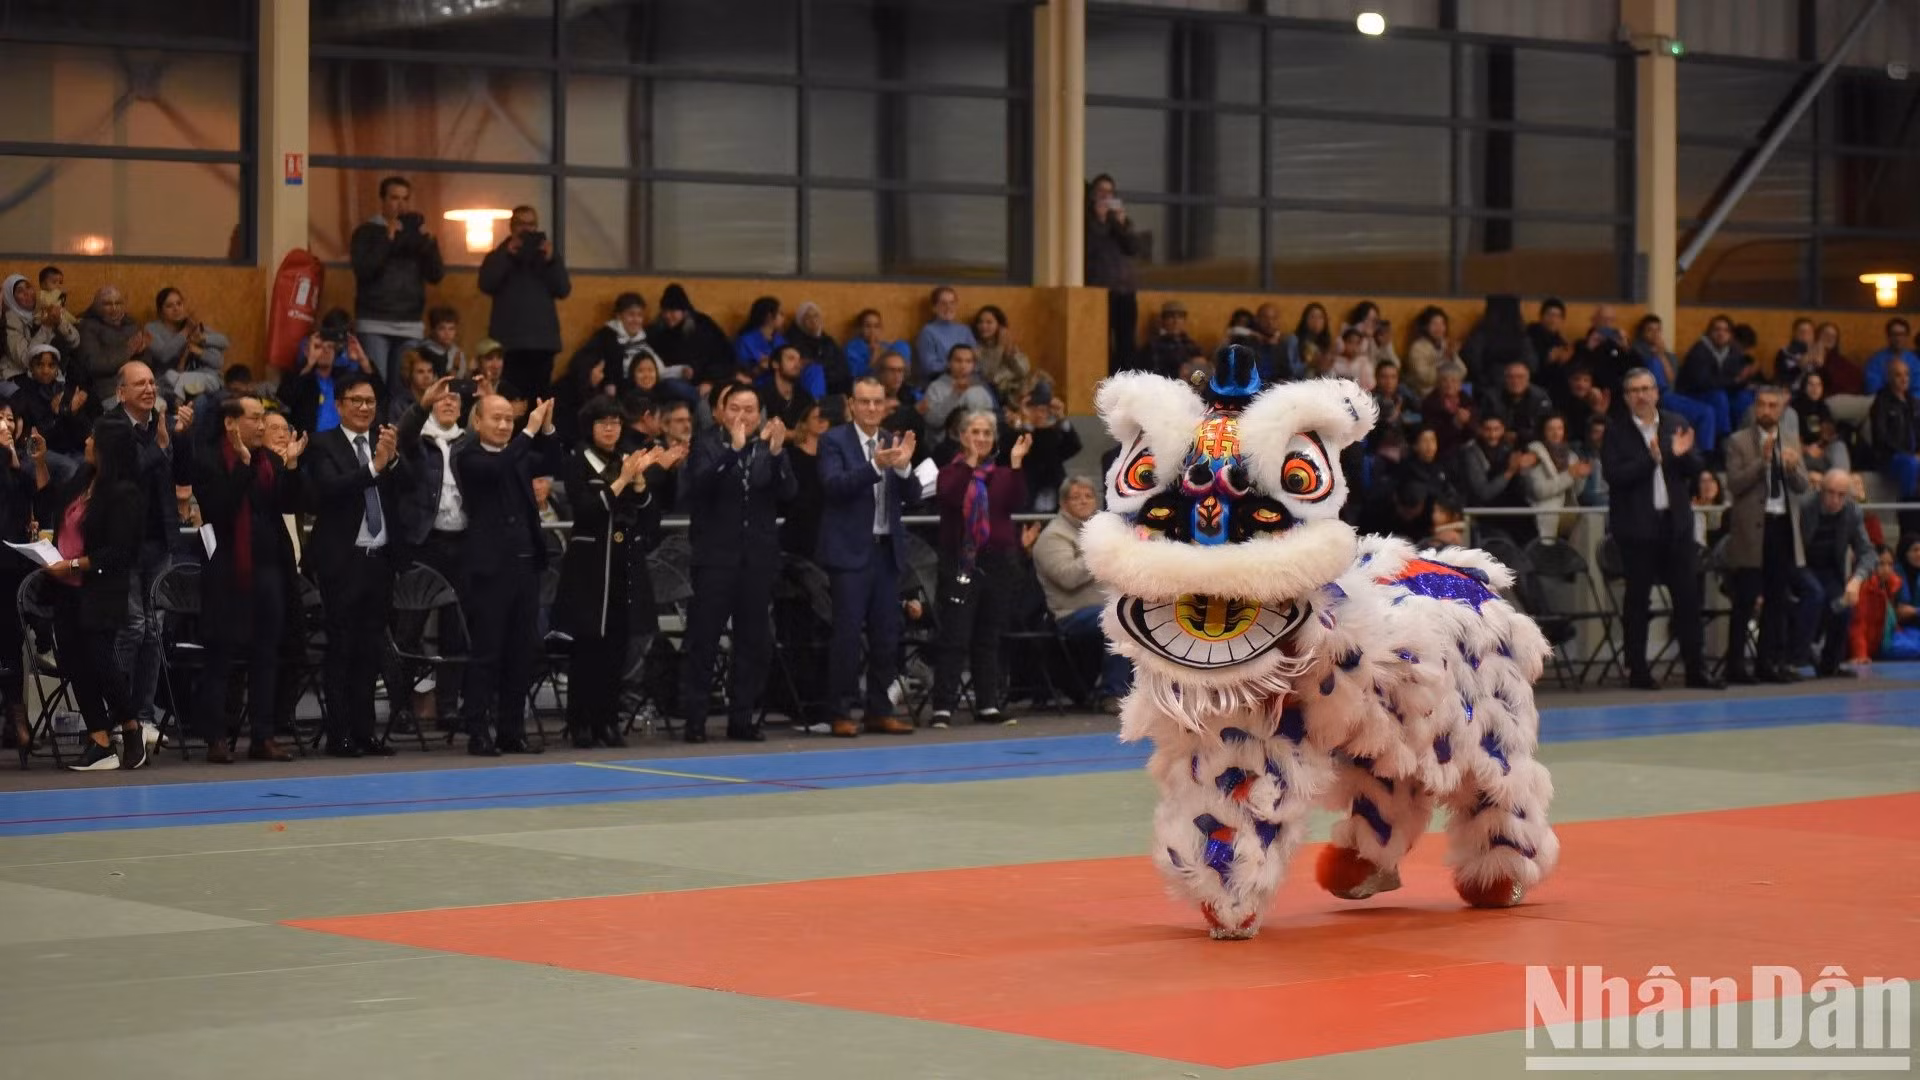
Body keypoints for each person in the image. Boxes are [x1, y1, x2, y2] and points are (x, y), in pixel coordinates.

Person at [554, 396, 678, 747]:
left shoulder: (627, 459)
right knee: (587, 647)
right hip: (589, 564)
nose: (610, 429)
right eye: (603, 422)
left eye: (615, 422)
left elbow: (646, 513)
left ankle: (608, 721)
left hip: (623, 561)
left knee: (617, 646)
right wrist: (623, 480)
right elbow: (587, 508)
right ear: (590, 427)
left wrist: (639, 484)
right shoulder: (578, 460)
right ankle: (580, 722)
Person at [678, 384, 797, 743]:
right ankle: (695, 719)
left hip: (757, 560)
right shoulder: (706, 444)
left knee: (752, 641)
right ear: (720, 412)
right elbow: (699, 486)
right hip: (715, 558)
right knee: (704, 640)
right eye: (735, 408)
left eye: (749, 409)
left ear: (760, 413)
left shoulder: (770, 447)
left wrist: (776, 456)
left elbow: (789, 494)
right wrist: (733, 451)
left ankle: (741, 718)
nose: (742, 416)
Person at [192, 395, 307, 763]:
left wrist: (291, 466)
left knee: (265, 656)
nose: (262, 426)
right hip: (227, 569)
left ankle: (263, 735)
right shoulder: (210, 459)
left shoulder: (269, 462)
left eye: (264, 419)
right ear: (231, 423)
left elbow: (288, 505)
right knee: (221, 658)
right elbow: (220, 510)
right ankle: (217, 737)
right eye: (255, 419)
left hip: (269, 571)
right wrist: (242, 466)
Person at [1600, 368, 1723, 691]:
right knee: (1638, 600)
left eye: (1646, 388)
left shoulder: (1676, 423)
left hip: (1676, 524)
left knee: (1687, 597)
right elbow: (1615, 476)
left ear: (1656, 392)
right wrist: (1655, 458)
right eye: (1634, 390)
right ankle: (1638, 670)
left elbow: (1696, 468)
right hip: (1637, 529)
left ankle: (1696, 668)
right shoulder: (1616, 432)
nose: (1641, 395)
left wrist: (1682, 456)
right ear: (1626, 398)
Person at [301, 372, 403, 758]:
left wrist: (392, 461)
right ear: (340, 405)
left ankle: (366, 733)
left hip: (379, 561)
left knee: (371, 650)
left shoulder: (384, 441)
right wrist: (375, 467)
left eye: (370, 402)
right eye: (356, 401)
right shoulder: (324, 443)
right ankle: (339, 734)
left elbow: (406, 484)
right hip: (343, 561)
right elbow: (329, 489)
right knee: (342, 649)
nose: (364, 408)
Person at [451, 394, 558, 756]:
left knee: (521, 651)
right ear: (476, 422)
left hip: (525, 565)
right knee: (487, 651)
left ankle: (512, 730)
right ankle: (478, 730)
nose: (503, 426)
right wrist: (528, 432)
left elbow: (552, 461)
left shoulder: (519, 452)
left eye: (509, 420)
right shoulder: (468, 456)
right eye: (496, 419)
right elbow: (497, 470)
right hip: (490, 569)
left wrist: (546, 428)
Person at [817, 376, 921, 736]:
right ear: (852, 404)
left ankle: (879, 709)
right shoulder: (833, 440)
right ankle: (840, 710)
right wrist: (876, 466)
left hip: (886, 551)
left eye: (879, 402)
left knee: (886, 635)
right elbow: (833, 487)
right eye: (865, 402)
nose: (873, 408)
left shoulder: (893, 439)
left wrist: (904, 467)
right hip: (849, 553)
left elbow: (915, 495)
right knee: (846, 635)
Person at [45, 415, 149, 771]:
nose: (87, 441)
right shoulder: (81, 479)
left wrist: (74, 565)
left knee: (102, 662)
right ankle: (99, 739)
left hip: (98, 590)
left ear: (107, 446)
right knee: (75, 665)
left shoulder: (125, 493)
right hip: (64, 590)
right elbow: (57, 512)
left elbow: (119, 553)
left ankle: (131, 725)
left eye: (92, 437)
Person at [927, 410, 1028, 725]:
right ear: (962, 436)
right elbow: (951, 496)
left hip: (997, 560)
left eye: (987, 433)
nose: (981, 438)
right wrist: (969, 464)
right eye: (975, 432)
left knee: (988, 635)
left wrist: (1015, 463)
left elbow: (1016, 500)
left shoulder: (1000, 474)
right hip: (961, 559)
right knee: (955, 634)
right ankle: (943, 706)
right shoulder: (950, 471)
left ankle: (987, 704)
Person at [110, 362, 195, 737]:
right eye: (139, 383)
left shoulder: (157, 428)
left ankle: (143, 717)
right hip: (124, 545)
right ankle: (117, 714)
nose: (148, 388)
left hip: (160, 541)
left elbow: (180, 476)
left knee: (154, 631)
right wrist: (161, 446)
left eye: (151, 382)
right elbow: (125, 477)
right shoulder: (110, 427)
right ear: (121, 392)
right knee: (132, 628)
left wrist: (181, 437)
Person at [1722, 386, 1811, 684]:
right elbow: (1734, 484)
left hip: (1782, 525)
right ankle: (1735, 664)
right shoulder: (1738, 441)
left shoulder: (1790, 441)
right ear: (1754, 408)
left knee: (1777, 598)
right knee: (1745, 598)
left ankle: (1767, 662)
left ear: (1781, 410)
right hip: (1751, 530)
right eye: (1761, 405)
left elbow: (1803, 485)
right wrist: (1763, 462)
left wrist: (1791, 467)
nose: (1766, 411)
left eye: (1773, 406)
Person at [1032, 475, 1132, 713]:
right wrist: (1099, 554)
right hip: (1070, 615)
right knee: (1118, 619)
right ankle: (1113, 693)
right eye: (1075, 497)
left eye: (1088, 496)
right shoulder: (1053, 536)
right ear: (1063, 503)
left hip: (1106, 605)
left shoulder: (1100, 531)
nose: (1083, 501)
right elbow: (1067, 577)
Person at [349, 175, 446, 389]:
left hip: (410, 323)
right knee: (376, 384)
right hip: (374, 321)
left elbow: (436, 274)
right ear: (382, 200)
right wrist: (388, 239)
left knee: (405, 388)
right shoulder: (367, 232)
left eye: (405, 199)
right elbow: (364, 270)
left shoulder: (417, 235)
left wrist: (429, 243)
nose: (400, 205)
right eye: (394, 198)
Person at [479, 205, 572, 397]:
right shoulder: (498, 255)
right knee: (508, 399)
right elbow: (486, 284)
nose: (526, 229)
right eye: (521, 224)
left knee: (538, 400)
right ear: (511, 227)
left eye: (531, 224)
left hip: (543, 343)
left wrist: (551, 260)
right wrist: (507, 255)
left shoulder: (547, 257)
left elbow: (563, 290)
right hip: (508, 344)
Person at [1797, 469, 1875, 679]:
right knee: (1815, 594)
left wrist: (1856, 580)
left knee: (1843, 605)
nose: (1834, 499)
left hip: (1828, 568)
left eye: (1841, 495)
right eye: (1830, 492)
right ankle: (1797, 657)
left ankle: (1830, 664)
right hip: (1799, 565)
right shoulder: (1805, 506)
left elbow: (1867, 552)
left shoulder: (1852, 511)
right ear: (1820, 491)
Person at [1086, 173, 1141, 376]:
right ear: (1093, 195)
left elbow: (1133, 248)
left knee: (1126, 342)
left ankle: (1126, 385)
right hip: (1101, 291)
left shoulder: (1119, 221)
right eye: (1101, 192)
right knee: (1103, 342)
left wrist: (1122, 223)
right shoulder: (1087, 221)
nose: (1105, 197)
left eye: (1109, 192)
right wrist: (1100, 220)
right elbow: (1091, 249)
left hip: (1125, 289)